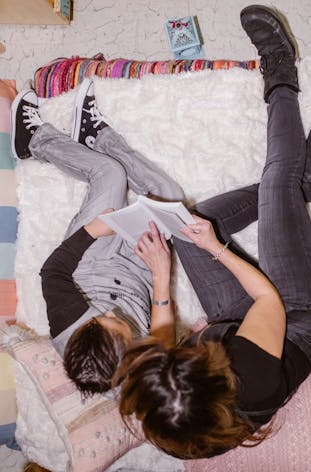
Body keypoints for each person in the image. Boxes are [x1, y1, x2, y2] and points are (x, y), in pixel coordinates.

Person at [114, 5, 311, 459]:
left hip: (234, 329)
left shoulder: (172, 417)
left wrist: (162, 275)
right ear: (206, 371)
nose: (173, 346)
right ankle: (281, 72)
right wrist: (217, 251)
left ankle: (301, 185)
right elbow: (267, 301)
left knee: (188, 228)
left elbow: (160, 354)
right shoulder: (252, 377)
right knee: (274, 179)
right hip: (297, 316)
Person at [10, 79, 184, 397]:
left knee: (110, 174)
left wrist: (95, 230)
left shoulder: (69, 326)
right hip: (141, 276)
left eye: (97, 318)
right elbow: (164, 341)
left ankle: (33, 140)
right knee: (170, 198)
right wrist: (160, 274)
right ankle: (96, 137)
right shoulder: (143, 377)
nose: (105, 312)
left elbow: (53, 271)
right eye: (115, 322)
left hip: (91, 260)